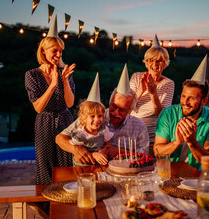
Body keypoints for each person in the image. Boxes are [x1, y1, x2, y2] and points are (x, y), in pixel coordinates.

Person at [56, 64, 150, 165]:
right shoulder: (95, 116)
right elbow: (60, 138)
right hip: (90, 169)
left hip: (125, 171)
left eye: (122, 110)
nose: (115, 113)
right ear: (110, 102)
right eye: (114, 106)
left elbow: (144, 155)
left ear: (130, 111)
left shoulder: (139, 126)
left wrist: (119, 152)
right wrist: (75, 148)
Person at [25, 14, 76, 185]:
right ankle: (47, 207)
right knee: (45, 166)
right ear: (43, 51)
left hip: (65, 121)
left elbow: (70, 103)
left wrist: (65, 81)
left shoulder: (64, 72)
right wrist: (53, 85)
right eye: (55, 50)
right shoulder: (31, 75)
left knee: (67, 163)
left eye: (61, 51)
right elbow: (38, 108)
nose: (58, 54)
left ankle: (67, 202)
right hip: (44, 123)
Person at [154, 55, 209, 170]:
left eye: (192, 98)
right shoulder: (167, 114)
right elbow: (157, 152)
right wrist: (177, 142)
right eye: (183, 96)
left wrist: (192, 142)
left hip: (196, 176)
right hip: (168, 172)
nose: (185, 102)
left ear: (204, 101)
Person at [130, 34, 174, 148]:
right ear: (146, 62)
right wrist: (141, 90)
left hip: (153, 134)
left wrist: (153, 94)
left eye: (159, 61)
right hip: (131, 131)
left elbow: (163, 116)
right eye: (151, 60)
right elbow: (126, 108)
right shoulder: (136, 77)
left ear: (165, 64)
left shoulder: (169, 84)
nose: (154, 64)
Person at [60, 73, 114, 166]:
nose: (97, 120)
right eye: (92, 116)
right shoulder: (79, 133)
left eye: (100, 116)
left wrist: (103, 151)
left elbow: (107, 145)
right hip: (82, 168)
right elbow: (78, 152)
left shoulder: (104, 130)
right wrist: (94, 155)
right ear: (84, 117)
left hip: (99, 166)